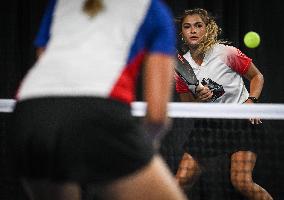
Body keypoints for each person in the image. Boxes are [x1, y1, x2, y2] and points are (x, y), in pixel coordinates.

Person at [6, 0, 188, 200]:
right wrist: (146, 148)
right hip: (99, 113)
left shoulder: (60, 4)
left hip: (29, 114)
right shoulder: (154, 11)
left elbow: (48, 65)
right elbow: (156, 117)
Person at [174, 8, 273, 200]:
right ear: (183, 33)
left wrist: (251, 101)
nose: (193, 30)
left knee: (242, 182)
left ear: (208, 28)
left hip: (241, 121)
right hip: (209, 125)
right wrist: (199, 99)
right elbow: (188, 106)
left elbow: (257, 76)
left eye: (198, 25)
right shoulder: (182, 67)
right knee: (182, 179)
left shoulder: (227, 53)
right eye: (187, 27)